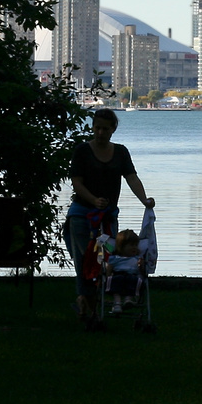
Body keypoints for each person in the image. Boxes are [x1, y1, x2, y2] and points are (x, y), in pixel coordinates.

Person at [65, 108, 154, 322]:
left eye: (105, 129)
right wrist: (93, 199)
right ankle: (90, 307)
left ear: (113, 129)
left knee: (107, 259)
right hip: (81, 216)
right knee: (85, 261)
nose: (100, 133)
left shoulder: (121, 152)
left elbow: (132, 178)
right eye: (97, 128)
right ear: (92, 127)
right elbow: (76, 182)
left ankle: (92, 303)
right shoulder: (82, 151)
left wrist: (145, 200)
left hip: (107, 218)